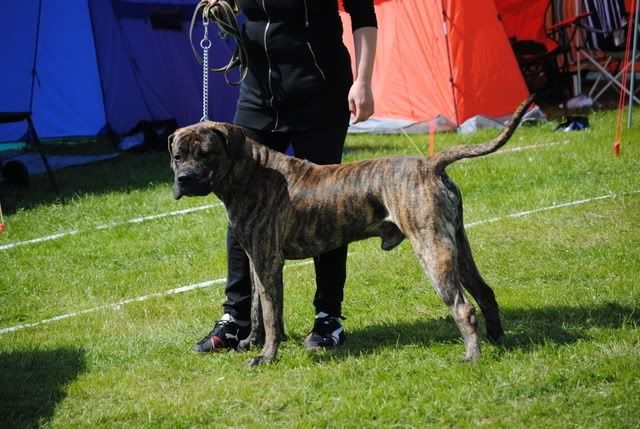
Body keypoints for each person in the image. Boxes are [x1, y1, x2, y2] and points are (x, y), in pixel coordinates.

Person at [192, 0, 377, 353]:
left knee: (329, 204)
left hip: (319, 91)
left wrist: (364, 81)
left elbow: (364, 15)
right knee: (241, 204)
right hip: (258, 94)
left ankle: (328, 316)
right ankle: (236, 318)